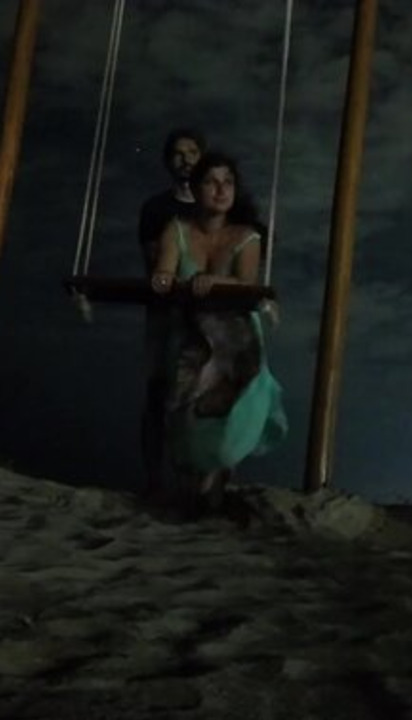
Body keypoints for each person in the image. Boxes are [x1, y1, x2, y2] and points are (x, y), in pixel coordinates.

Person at [149, 152, 288, 515]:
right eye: (211, 181)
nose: (221, 189)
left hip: (236, 338)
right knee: (185, 414)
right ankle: (192, 495)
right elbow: (164, 272)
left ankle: (216, 488)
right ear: (196, 189)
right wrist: (164, 278)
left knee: (231, 417)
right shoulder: (177, 230)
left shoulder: (246, 236)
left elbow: (246, 282)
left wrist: (214, 281)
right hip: (194, 334)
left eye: (228, 182)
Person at [138, 128, 206, 499]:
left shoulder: (215, 207)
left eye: (193, 152)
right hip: (165, 313)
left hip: (208, 315)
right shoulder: (156, 208)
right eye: (178, 153)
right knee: (158, 393)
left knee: (200, 396)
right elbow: (154, 261)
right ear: (168, 161)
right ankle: (154, 479)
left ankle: (194, 481)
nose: (186, 159)